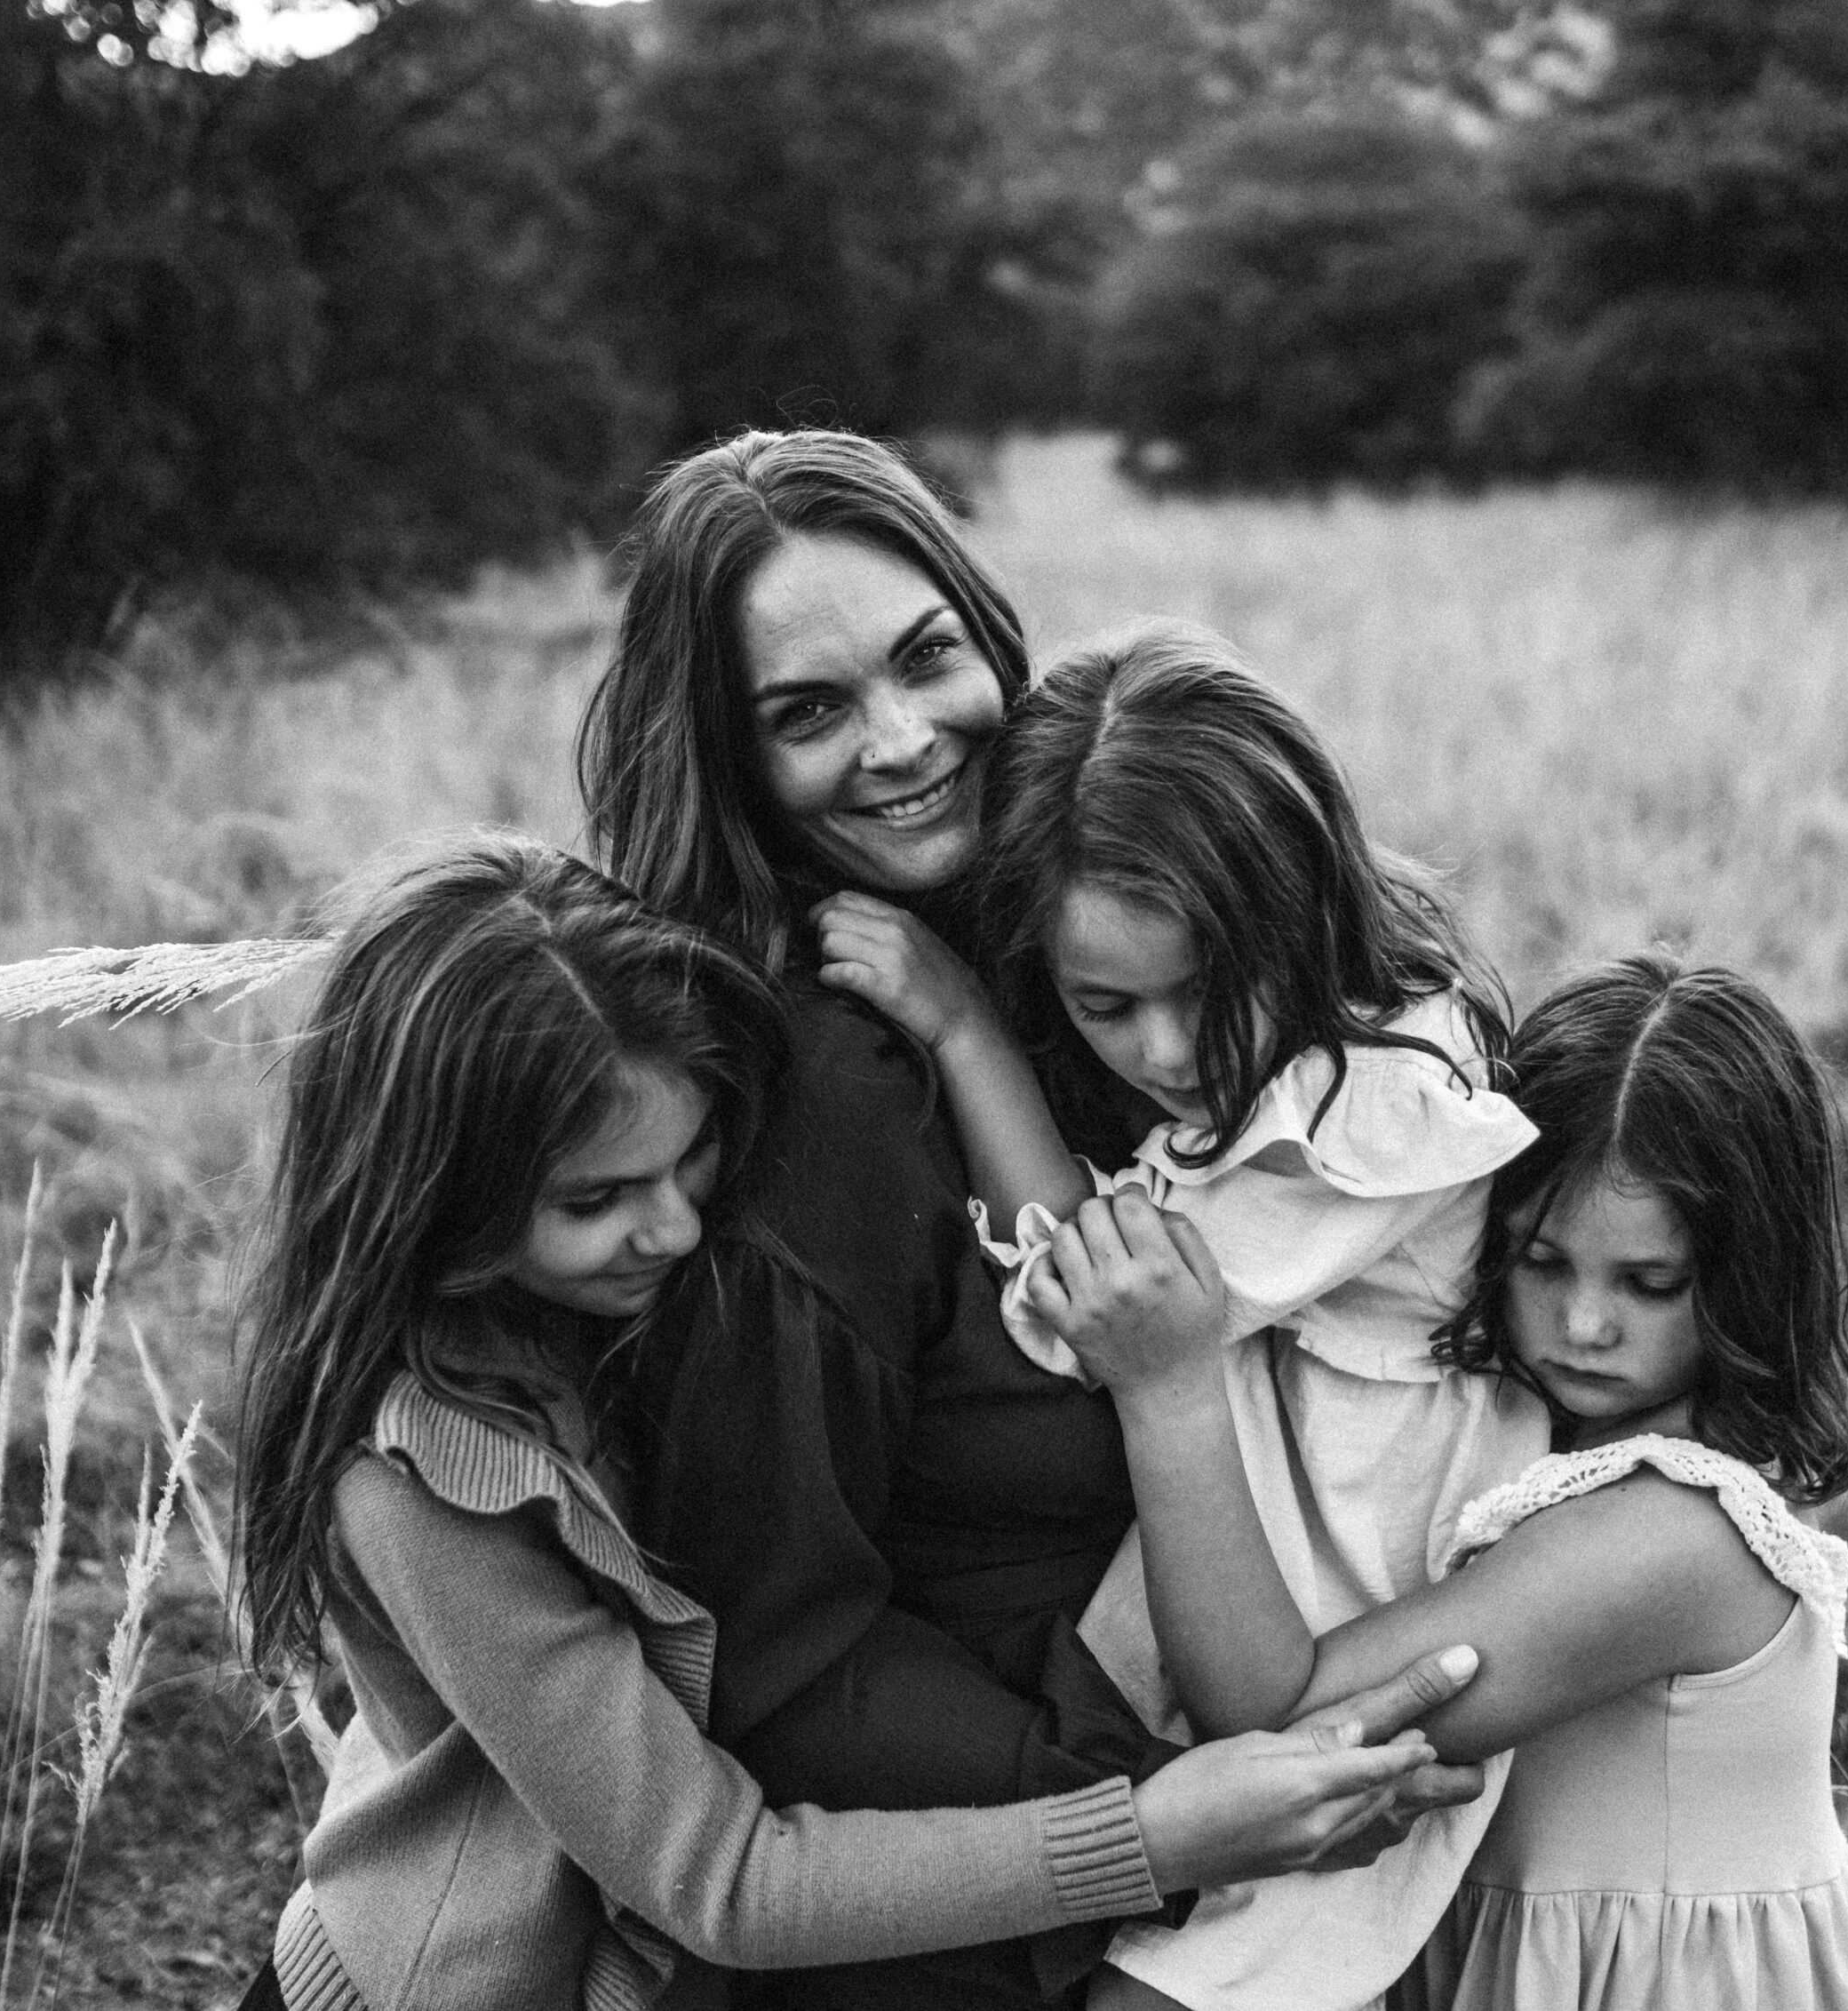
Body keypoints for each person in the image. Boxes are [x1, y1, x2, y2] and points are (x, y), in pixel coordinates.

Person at [229, 832, 1492, 2011]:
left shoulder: (590, 1301)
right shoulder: (420, 1482)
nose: (672, 1227)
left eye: (691, 1160)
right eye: (598, 1196)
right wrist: (1158, 1831)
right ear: (435, 1194)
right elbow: (717, 1877)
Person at [577, 432, 1487, 2010]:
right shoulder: (822, 1098)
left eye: (927, 655)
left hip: (1241, 1772)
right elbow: (774, 1647)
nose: (905, 740)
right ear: (727, 760)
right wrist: (1139, 1805)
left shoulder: (1096, 930)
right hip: (987, 1892)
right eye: (806, 713)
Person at [814, 622, 1549, 2009]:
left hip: (1349, 1606)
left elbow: (1079, 1302)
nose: (1165, 1052)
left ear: (1302, 901)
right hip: (1228, 1595)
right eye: (1105, 1004)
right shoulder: (1309, 1054)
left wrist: (966, 1030)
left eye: (1205, 989)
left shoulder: (1366, 1105)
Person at [1029, 955, 1848, 2011]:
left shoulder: (1669, 1535)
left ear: (1753, 1273)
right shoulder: (1536, 1444)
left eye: (1649, 1283)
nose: (1583, 1324)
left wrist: (1170, 1390)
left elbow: (1276, 1720)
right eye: (1541, 1261)